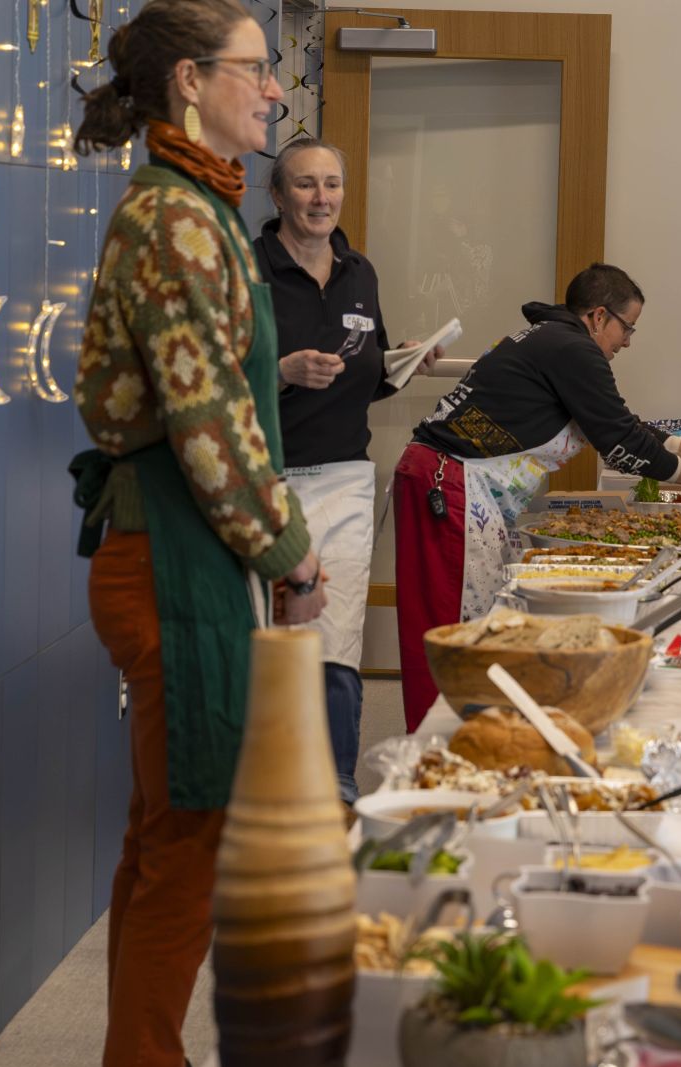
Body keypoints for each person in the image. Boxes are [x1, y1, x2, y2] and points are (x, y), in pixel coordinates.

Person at [67, 5, 316, 1067]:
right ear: (188, 83)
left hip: (195, 556)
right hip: (169, 558)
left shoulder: (200, 207)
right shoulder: (172, 219)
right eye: (258, 72)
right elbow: (209, 424)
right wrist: (291, 550)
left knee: (168, 840)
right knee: (191, 847)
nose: (274, 92)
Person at [391, 264, 681, 727]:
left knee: (474, 627)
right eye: (628, 327)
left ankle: (471, 738)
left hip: (452, 485)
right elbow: (618, 439)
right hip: (446, 488)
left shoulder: (554, 339)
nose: (628, 341)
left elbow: (618, 420)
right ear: (600, 317)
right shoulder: (573, 349)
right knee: (451, 635)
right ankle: (441, 753)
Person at [254, 137, 438, 803]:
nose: (321, 198)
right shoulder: (249, 272)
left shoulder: (360, 271)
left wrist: (401, 363)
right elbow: (214, 385)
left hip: (346, 478)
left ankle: (336, 785)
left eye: (331, 184)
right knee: (276, 635)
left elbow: (369, 374)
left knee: (337, 633)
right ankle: (269, 783)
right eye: (305, 185)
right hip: (266, 480)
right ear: (277, 196)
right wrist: (281, 372)